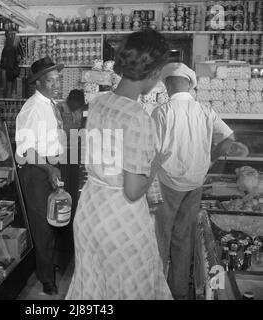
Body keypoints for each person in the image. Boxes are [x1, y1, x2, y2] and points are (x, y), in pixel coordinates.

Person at [65, 30, 173, 300]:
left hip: (90, 211)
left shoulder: (99, 102)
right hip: (120, 219)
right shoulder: (138, 117)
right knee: (131, 289)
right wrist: (157, 161)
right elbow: (133, 191)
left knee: (93, 287)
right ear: (154, 72)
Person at [151, 62, 235, 300]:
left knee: (161, 237)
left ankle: (157, 292)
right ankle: (178, 292)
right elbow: (229, 138)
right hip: (195, 183)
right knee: (183, 237)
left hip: (167, 183)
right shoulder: (205, 110)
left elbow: (154, 152)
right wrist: (208, 160)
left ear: (167, 85)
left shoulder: (162, 111)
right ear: (189, 85)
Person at [15, 56, 65, 296]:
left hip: (51, 166)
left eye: (57, 79)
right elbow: (26, 150)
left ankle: (48, 264)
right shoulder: (33, 108)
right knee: (43, 225)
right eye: (50, 80)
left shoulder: (50, 104)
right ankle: (46, 279)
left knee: (55, 220)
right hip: (37, 171)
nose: (56, 84)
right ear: (38, 83)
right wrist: (50, 169)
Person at [56, 89, 86, 255]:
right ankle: (62, 222)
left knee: (73, 186)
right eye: (77, 105)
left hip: (75, 153)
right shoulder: (59, 109)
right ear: (70, 100)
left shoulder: (79, 109)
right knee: (63, 186)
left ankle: (71, 219)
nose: (78, 108)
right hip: (61, 155)